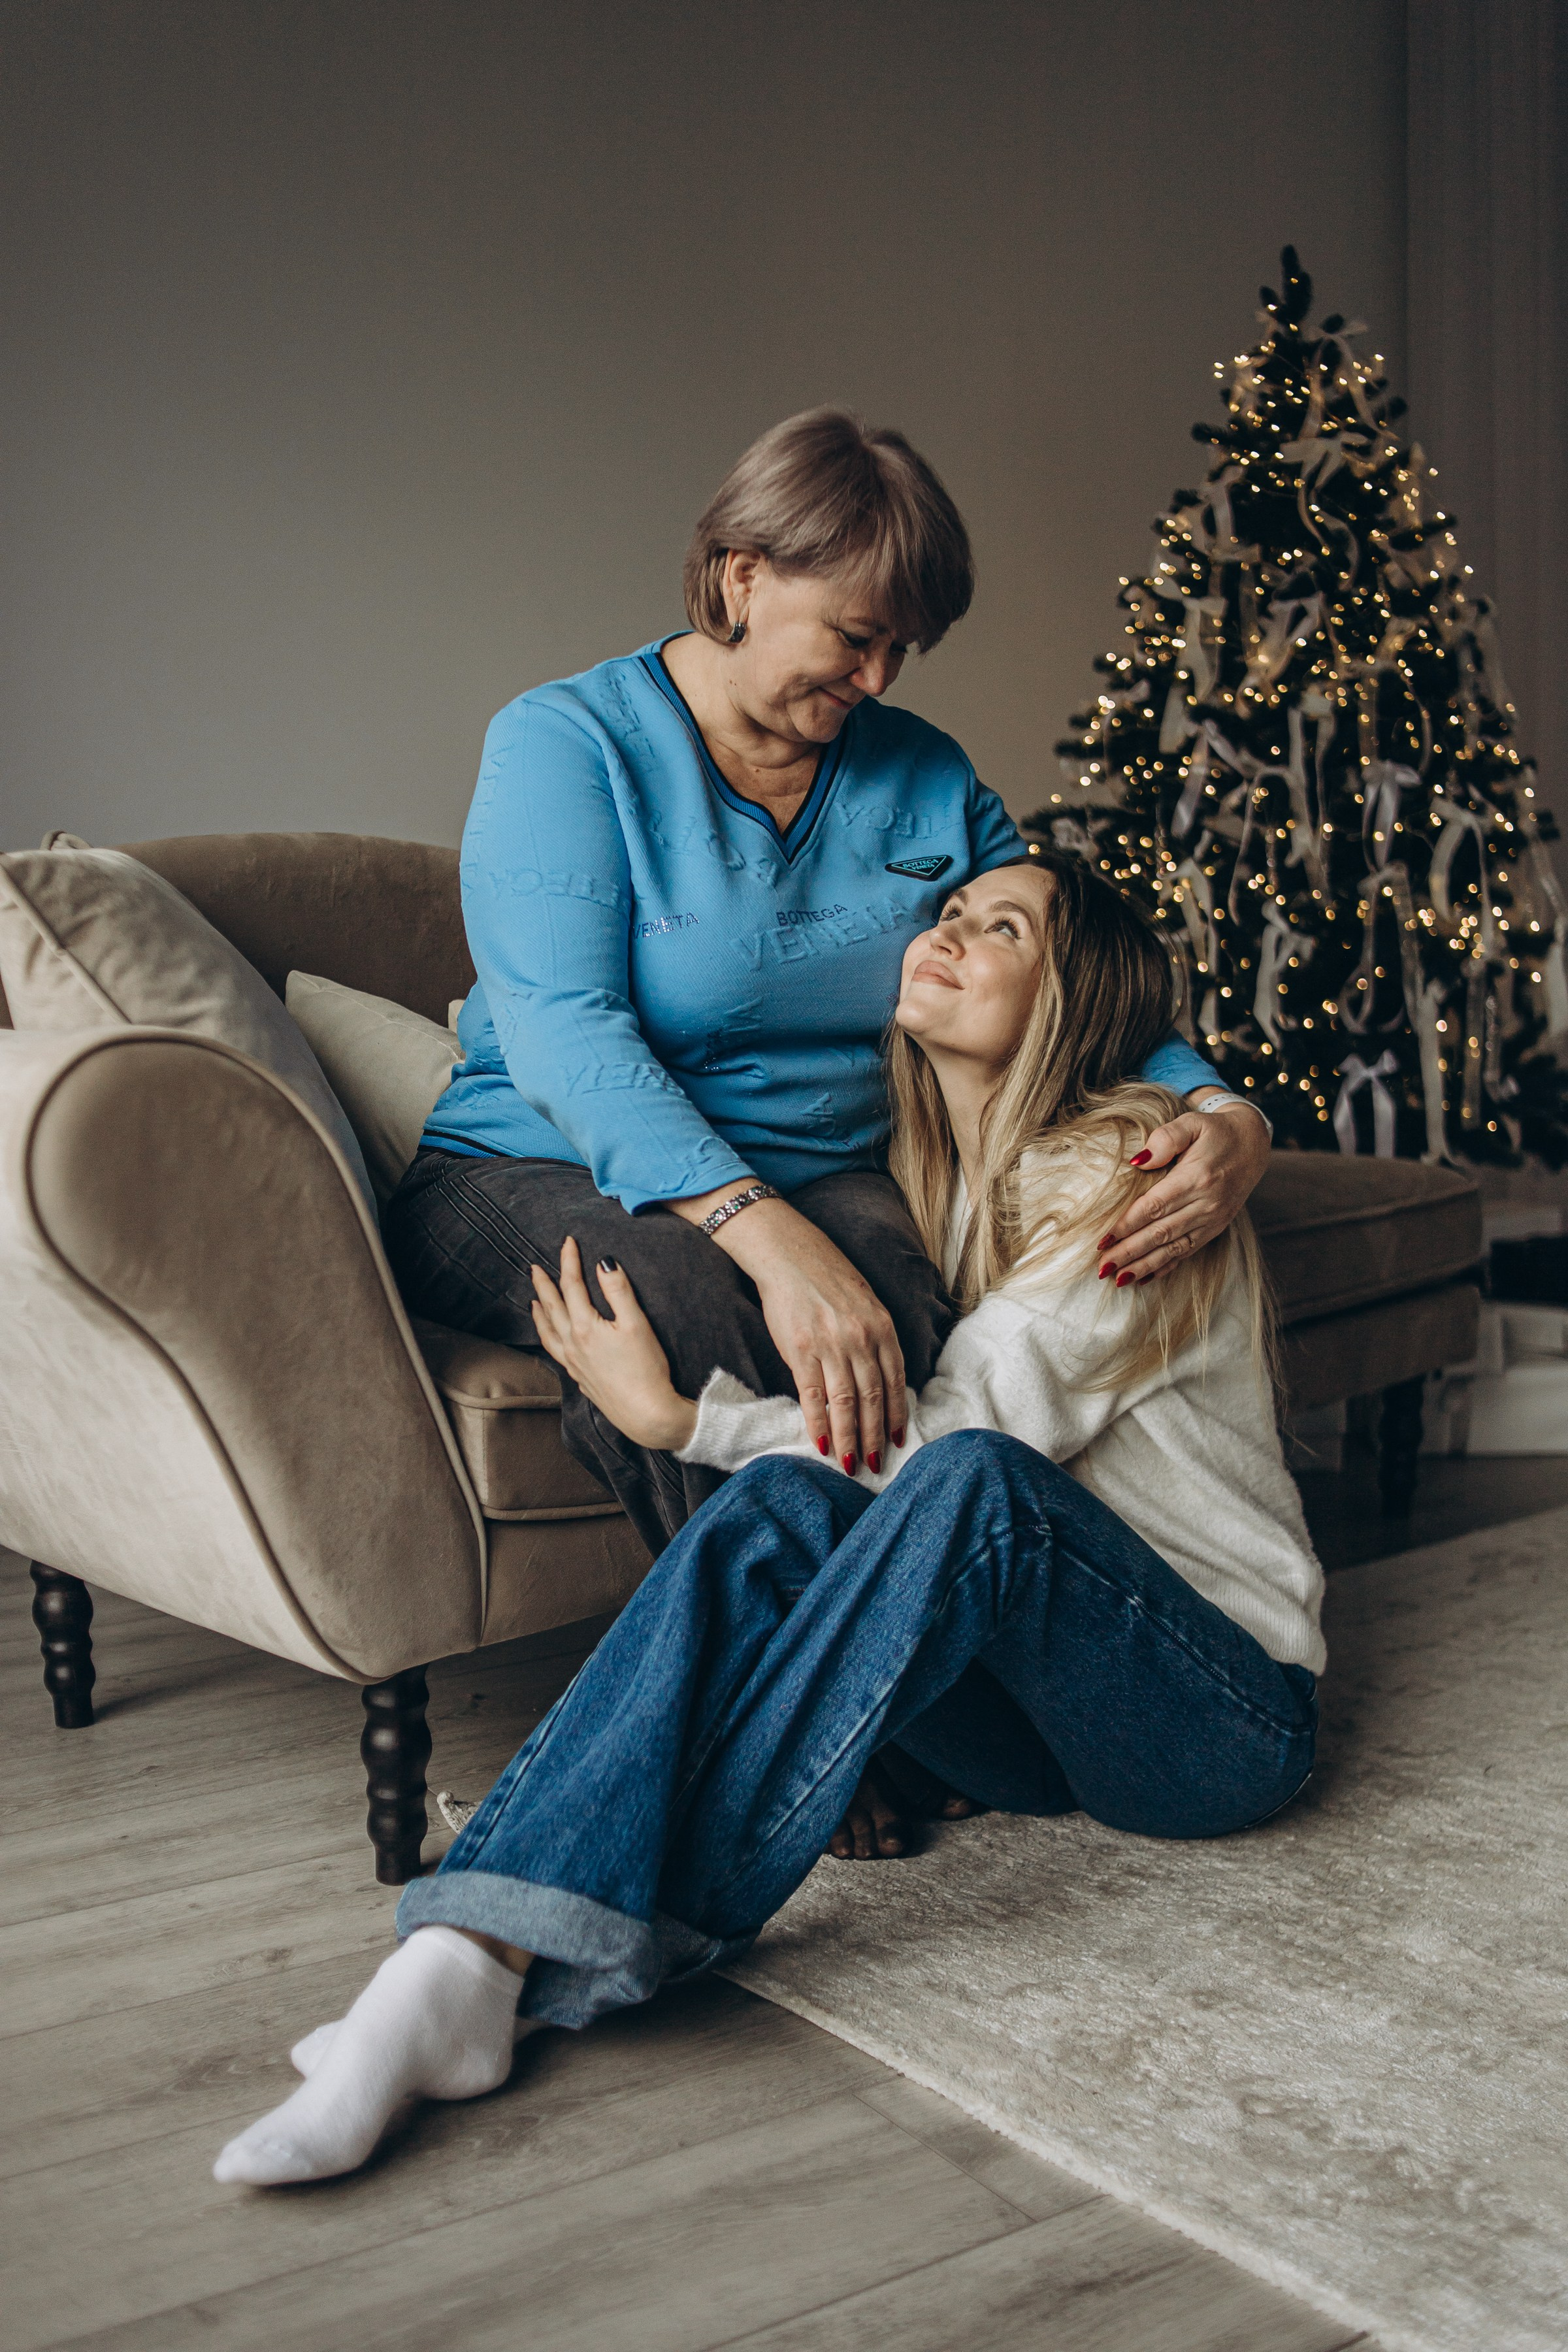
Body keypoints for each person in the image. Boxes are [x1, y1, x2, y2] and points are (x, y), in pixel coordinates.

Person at [214, 849, 1321, 2189]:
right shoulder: (925, 1180)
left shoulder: (1137, 1186)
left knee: (967, 1487)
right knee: (793, 1498)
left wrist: (685, 1425)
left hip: (1215, 1722)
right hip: (1049, 1731)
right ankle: (463, 1957)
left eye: (1006, 928)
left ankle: (609, 1934)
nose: (953, 934)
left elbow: (965, 1449)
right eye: (952, 914)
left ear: (1075, 998)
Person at [382, 408, 1273, 1554]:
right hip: (530, 1163)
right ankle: (782, 1712)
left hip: (825, 1165)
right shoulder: (567, 743)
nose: (877, 676)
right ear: (742, 577)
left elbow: (1064, 964)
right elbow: (567, 1033)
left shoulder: (926, 774)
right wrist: (771, 1237)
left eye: (902, 649)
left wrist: (1219, 1108)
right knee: (690, 1306)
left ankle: (875, 1693)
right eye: (856, 637)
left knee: (908, 1321)